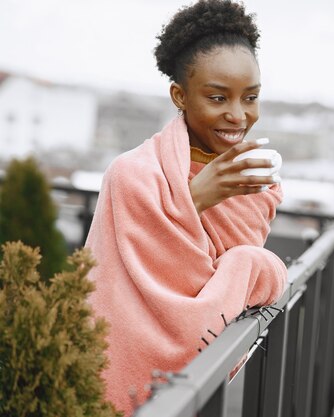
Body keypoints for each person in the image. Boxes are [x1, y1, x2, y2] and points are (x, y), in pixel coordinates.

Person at [85, 1, 287, 414]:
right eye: (217, 97)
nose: (237, 115)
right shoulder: (130, 174)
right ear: (180, 94)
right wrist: (194, 198)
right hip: (111, 366)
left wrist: (250, 259)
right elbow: (118, 290)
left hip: (200, 382)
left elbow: (227, 288)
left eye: (250, 97)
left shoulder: (257, 185)